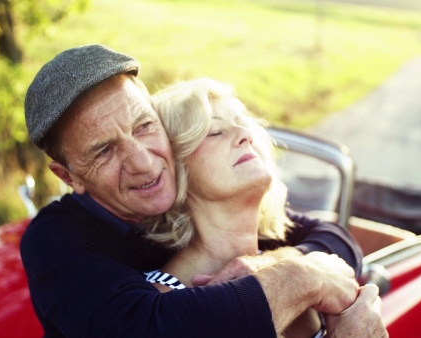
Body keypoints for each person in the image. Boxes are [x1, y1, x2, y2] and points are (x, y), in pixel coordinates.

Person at [20, 44, 387, 337]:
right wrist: (302, 277)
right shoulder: (56, 239)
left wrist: (273, 263)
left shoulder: (218, 211)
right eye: (104, 151)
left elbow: (331, 237)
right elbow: (145, 328)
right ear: (69, 177)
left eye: (145, 126)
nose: (144, 164)